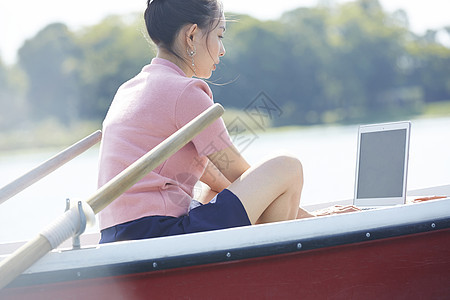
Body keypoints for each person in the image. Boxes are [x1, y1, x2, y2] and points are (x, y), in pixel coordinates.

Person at [98, 0, 357, 244]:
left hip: (119, 235)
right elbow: (241, 174)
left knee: (215, 193)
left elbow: (219, 179)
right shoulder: (185, 92)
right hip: (157, 234)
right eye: (219, 35)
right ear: (191, 36)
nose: (222, 50)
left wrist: (308, 217)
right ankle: (268, 271)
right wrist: (315, 220)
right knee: (286, 166)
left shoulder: (130, 89)